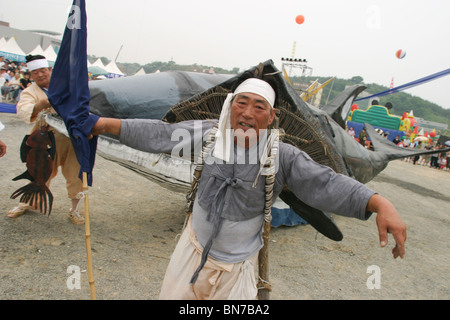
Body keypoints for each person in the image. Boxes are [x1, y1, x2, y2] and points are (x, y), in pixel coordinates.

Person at [91, 74, 407, 300]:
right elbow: (160, 135)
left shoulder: (282, 156)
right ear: (231, 107)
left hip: (237, 267)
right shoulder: (208, 135)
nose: (248, 112)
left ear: (270, 118)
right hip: (191, 251)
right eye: (242, 103)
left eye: (259, 107)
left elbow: (327, 183)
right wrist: (104, 124)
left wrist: (379, 203)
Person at [7, 54, 85, 225]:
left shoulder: (67, 86)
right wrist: (42, 104)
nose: (40, 74)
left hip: (71, 138)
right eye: (35, 72)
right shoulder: (29, 91)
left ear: (50, 70)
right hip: (45, 139)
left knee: (76, 175)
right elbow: (23, 110)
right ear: (30, 75)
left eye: (43, 70)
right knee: (39, 172)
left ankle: (75, 210)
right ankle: (27, 203)